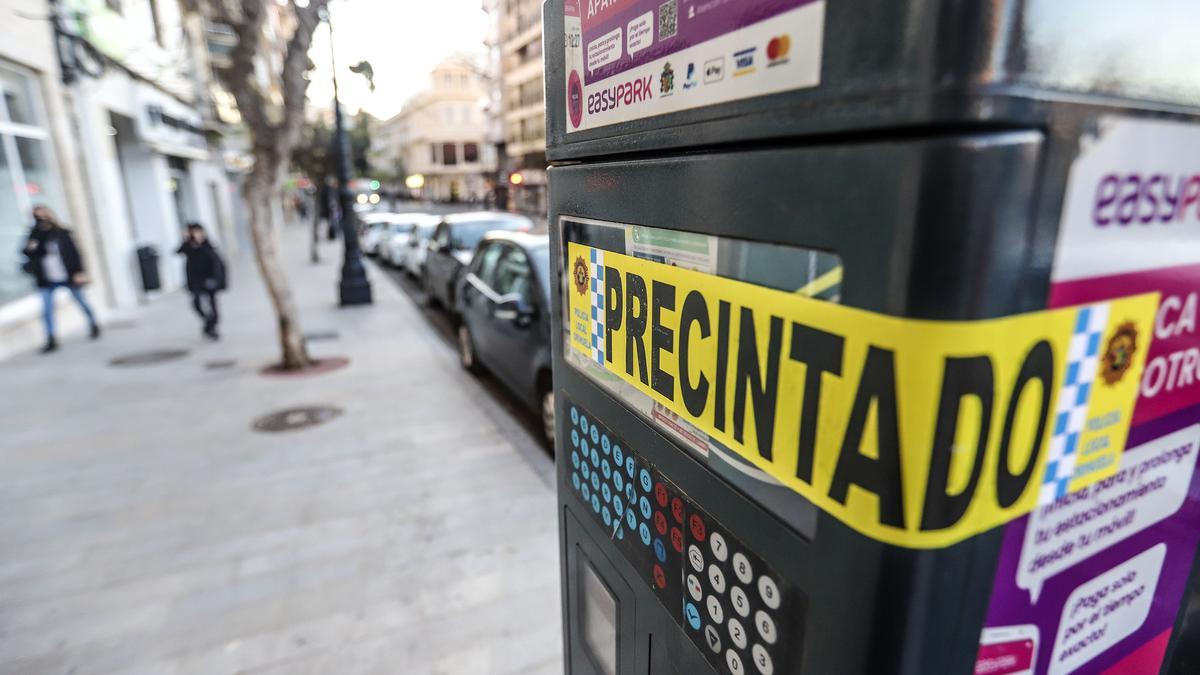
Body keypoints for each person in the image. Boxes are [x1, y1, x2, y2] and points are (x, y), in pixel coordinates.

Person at [22, 205, 100, 353]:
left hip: (67, 275)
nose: (41, 219)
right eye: (37, 216)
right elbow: (27, 252)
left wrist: (79, 272)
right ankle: (51, 339)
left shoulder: (62, 233)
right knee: (46, 310)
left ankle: (93, 324)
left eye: (43, 215)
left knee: (81, 302)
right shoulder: (34, 235)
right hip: (46, 279)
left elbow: (75, 253)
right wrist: (31, 245)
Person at [176, 223, 226, 340]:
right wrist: (186, 240)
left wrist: (216, 279)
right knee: (196, 303)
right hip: (195, 281)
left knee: (212, 304)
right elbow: (178, 251)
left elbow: (214, 260)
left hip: (209, 279)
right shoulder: (188, 246)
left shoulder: (207, 244)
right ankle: (208, 322)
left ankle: (212, 327)